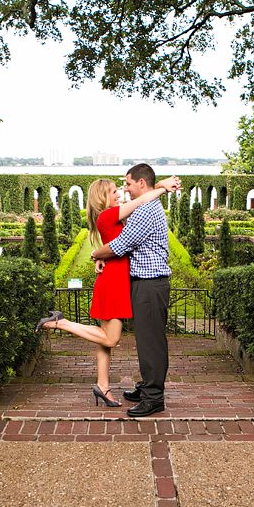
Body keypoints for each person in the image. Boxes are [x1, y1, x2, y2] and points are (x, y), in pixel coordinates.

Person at [35, 173, 180, 407]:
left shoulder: (110, 215)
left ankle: (103, 386)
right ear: (103, 196)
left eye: (123, 187)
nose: (120, 193)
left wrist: (98, 255)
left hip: (114, 278)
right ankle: (60, 322)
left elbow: (140, 203)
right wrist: (163, 186)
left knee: (103, 340)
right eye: (114, 191)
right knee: (110, 339)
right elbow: (142, 201)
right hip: (114, 281)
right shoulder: (109, 214)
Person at [90, 163, 173, 418]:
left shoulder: (146, 211)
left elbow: (120, 245)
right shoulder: (143, 206)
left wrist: (96, 254)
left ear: (141, 183)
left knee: (151, 343)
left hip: (150, 283)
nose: (125, 189)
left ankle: (153, 398)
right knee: (146, 340)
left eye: (127, 184)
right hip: (144, 283)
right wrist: (162, 186)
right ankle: (147, 387)